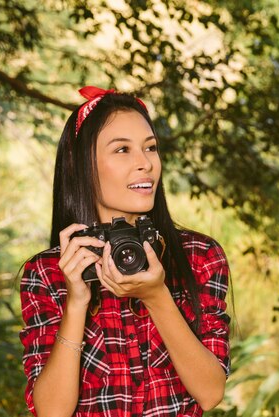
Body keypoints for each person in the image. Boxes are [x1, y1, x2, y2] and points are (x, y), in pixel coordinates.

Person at [19, 86, 231, 417]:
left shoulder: (199, 255)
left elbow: (211, 392)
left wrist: (157, 296)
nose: (145, 163)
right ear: (82, 164)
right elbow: (51, 412)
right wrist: (77, 303)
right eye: (122, 150)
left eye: (151, 148)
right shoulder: (47, 272)